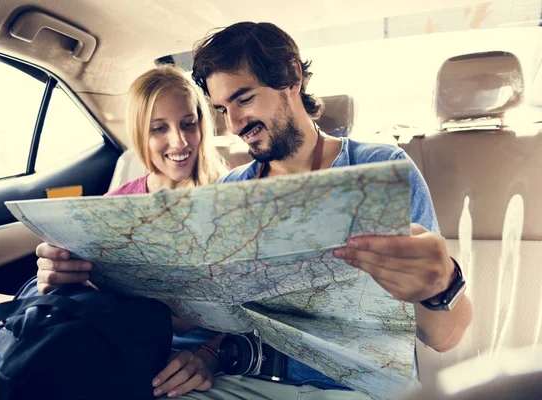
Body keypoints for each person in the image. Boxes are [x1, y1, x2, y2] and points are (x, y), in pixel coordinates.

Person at [26, 22, 474, 399]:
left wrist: (442, 285)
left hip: (356, 388)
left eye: (243, 99)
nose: (234, 124)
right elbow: (215, 310)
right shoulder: (231, 190)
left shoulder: (379, 168)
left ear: (292, 77)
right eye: (221, 109)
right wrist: (89, 278)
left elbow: (444, 337)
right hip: (246, 380)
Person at [0, 65, 229, 399]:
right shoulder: (112, 207)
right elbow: (94, 297)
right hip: (113, 337)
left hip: (172, 349)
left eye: (188, 123)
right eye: (159, 128)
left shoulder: (228, 200)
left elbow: (255, 310)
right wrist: (26, 303)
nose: (179, 140)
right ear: (141, 134)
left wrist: (212, 354)